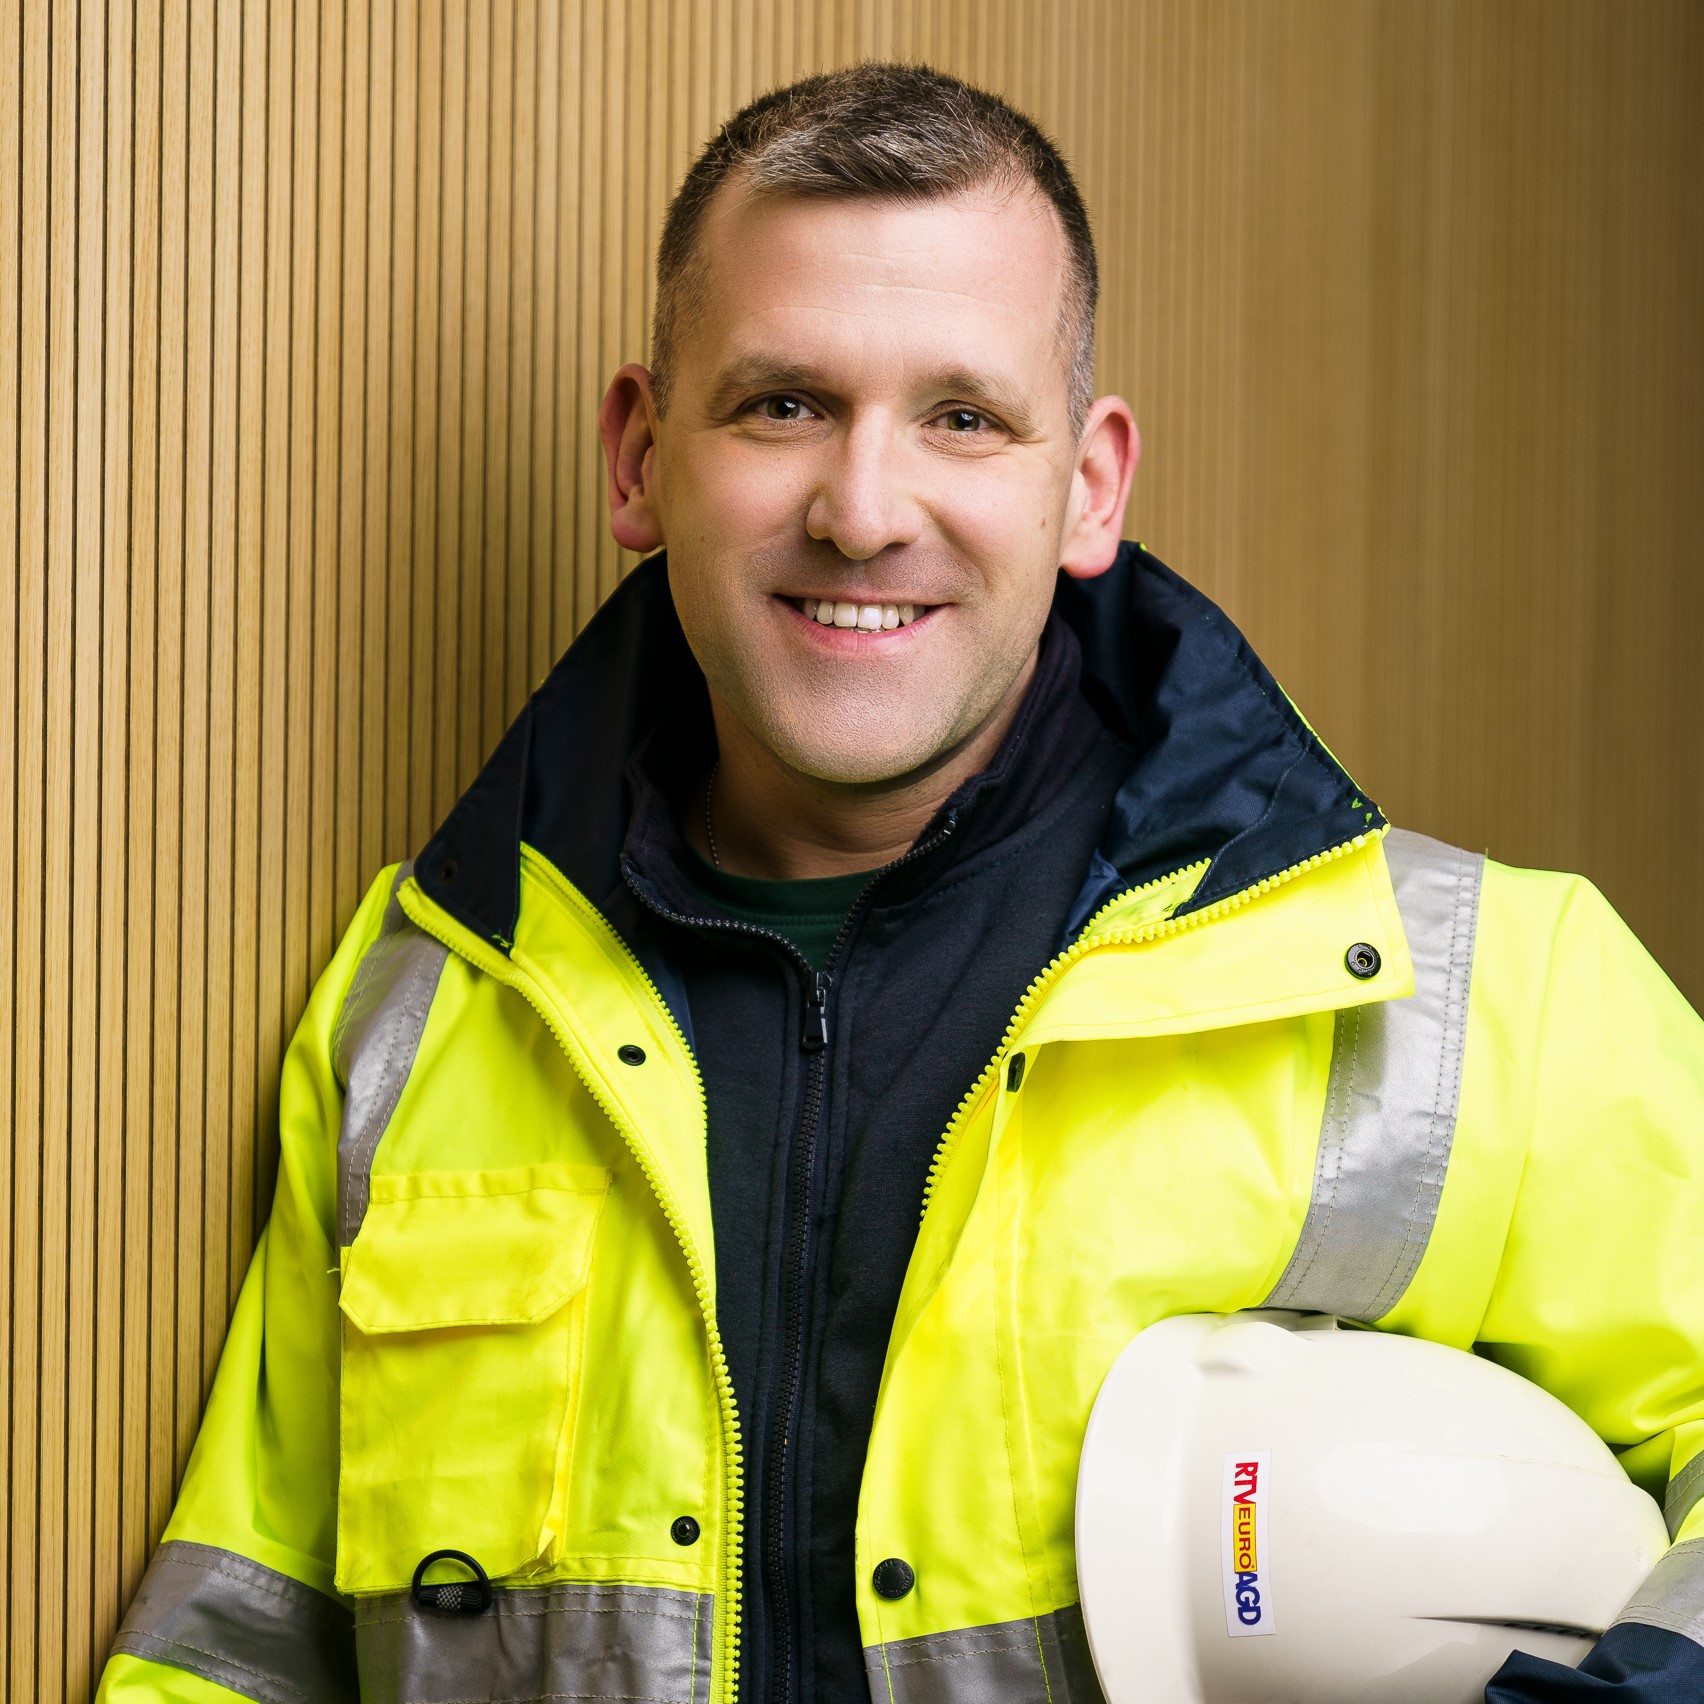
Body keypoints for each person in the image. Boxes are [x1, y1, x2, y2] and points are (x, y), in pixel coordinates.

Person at [99, 62, 1703, 1704]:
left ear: (1089, 485)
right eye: (785, 404)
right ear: (639, 457)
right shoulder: (424, 1008)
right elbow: (233, 1653)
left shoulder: (1481, 997)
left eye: (964, 418)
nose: (864, 514)